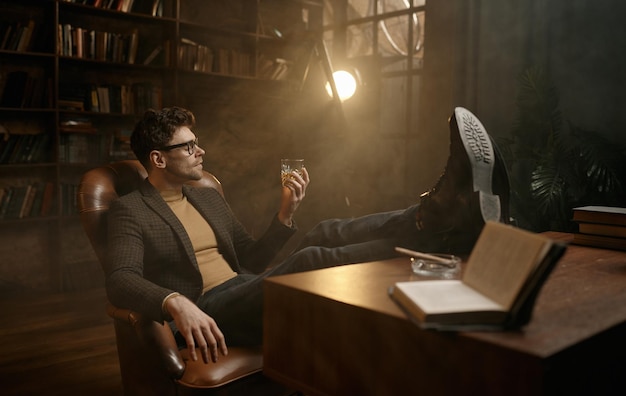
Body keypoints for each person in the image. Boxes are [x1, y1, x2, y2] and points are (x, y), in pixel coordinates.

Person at [105, 106, 510, 364]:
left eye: (198, 143)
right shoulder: (130, 210)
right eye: (188, 146)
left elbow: (250, 258)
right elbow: (120, 279)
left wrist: (286, 213)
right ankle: (448, 229)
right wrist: (176, 303)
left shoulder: (206, 197)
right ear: (158, 158)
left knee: (324, 230)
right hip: (206, 312)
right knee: (311, 258)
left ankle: (432, 216)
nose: (201, 151)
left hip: (245, 289)